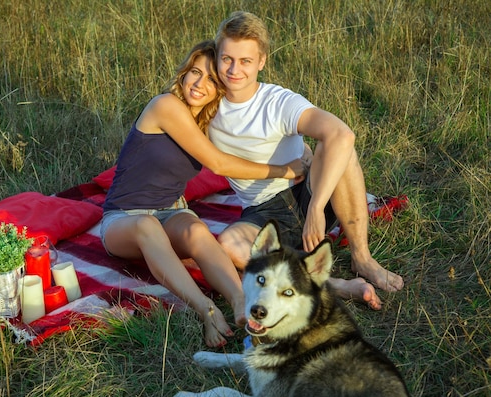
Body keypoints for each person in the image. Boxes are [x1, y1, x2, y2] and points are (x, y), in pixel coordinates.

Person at [100, 40, 305, 347]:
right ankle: (206, 309)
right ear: (183, 74)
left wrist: (303, 152)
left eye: (211, 79)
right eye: (195, 72)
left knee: (197, 228)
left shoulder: (208, 122)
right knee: (147, 225)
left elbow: (254, 141)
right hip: (124, 220)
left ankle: (239, 300)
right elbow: (219, 163)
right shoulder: (164, 106)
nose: (199, 83)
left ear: (219, 89)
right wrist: (284, 170)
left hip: (172, 213)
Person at [209, 11, 405, 310]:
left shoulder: (277, 101)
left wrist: (315, 208)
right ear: (217, 57)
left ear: (261, 62)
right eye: (227, 59)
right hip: (262, 212)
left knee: (341, 147)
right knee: (228, 246)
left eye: (245, 61)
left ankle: (362, 258)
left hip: (306, 193)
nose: (235, 69)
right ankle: (330, 286)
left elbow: (342, 134)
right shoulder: (206, 104)